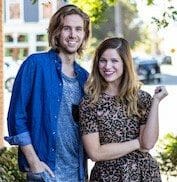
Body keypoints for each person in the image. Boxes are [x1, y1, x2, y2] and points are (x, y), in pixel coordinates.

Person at [5, 4, 90, 182]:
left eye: (78, 29)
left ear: (84, 35)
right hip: (45, 172)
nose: (73, 34)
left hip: (77, 173)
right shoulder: (35, 64)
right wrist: (33, 161)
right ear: (57, 32)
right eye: (67, 28)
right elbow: (16, 116)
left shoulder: (85, 78)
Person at [79, 37, 168, 182]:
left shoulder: (142, 98)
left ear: (125, 63)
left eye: (114, 61)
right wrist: (137, 143)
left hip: (144, 174)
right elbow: (95, 153)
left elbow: (149, 144)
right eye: (103, 60)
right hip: (106, 177)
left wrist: (156, 102)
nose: (107, 66)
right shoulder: (89, 103)